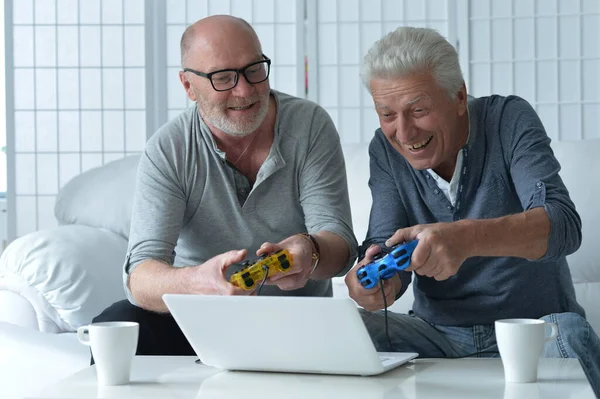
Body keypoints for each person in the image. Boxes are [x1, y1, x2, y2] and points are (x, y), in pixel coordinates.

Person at [345, 26, 600, 395]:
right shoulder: (384, 151)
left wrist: (467, 237)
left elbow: (563, 224)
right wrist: (376, 281)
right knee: (351, 334)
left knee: (570, 333)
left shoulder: (507, 119)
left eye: (418, 109)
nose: (403, 132)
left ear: (459, 97)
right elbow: (383, 243)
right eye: (387, 114)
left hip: (530, 330)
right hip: (436, 334)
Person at [93, 15, 358, 356]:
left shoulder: (309, 125)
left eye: (253, 69)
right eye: (223, 78)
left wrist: (312, 251)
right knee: (116, 320)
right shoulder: (169, 149)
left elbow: (342, 247)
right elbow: (139, 277)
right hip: (201, 321)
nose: (245, 90)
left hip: (296, 321)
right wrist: (198, 282)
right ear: (188, 86)